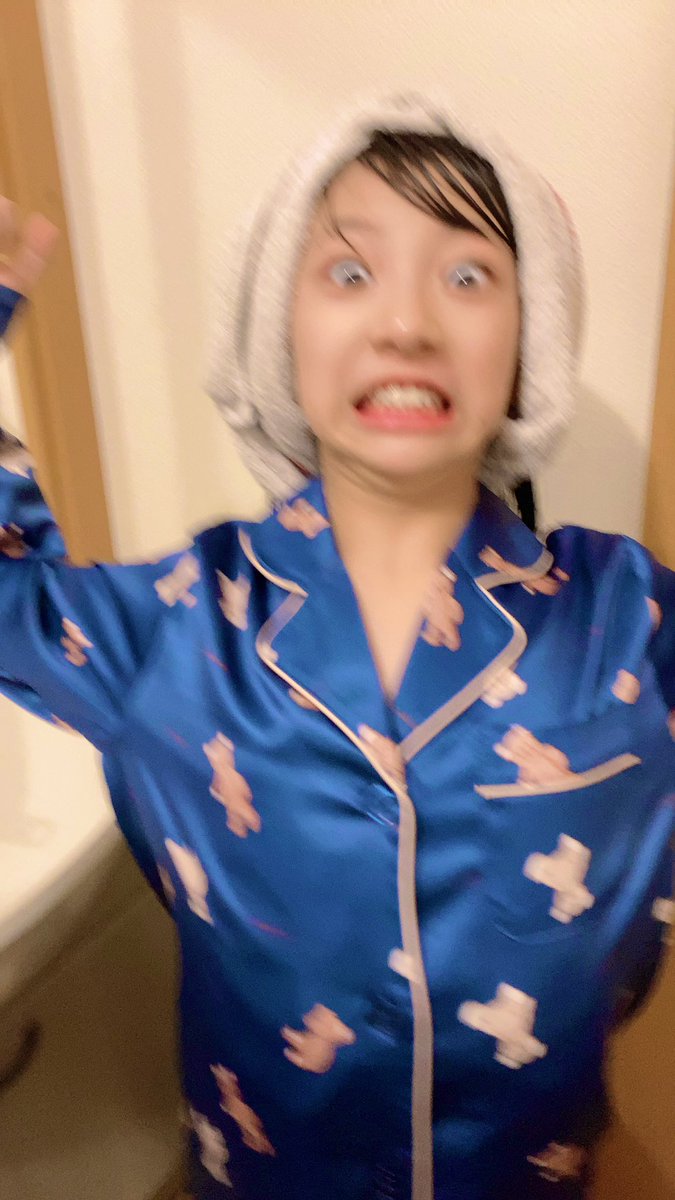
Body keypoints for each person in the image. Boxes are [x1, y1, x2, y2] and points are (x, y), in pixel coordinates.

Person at [0, 92, 673, 1200]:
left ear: (529, 341)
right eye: (350, 273)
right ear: (280, 329)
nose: (406, 323)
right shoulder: (177, 624)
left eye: (468, 276)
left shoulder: (629, 623)